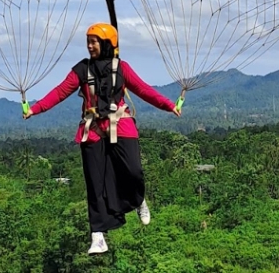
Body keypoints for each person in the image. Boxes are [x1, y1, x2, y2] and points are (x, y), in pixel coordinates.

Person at [23, 22, 181, 254]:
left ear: (107, 43)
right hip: (93, 128)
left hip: (120, 123)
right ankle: (98, 235)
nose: (89, 46)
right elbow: (60, 92)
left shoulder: (122, 68)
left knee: (133, 170)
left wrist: (169, 106)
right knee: (95, 183)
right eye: (88, 41)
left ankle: (137, 200)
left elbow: (144, 90)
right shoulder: (81, 70)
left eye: (94, 41)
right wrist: (35, 109)